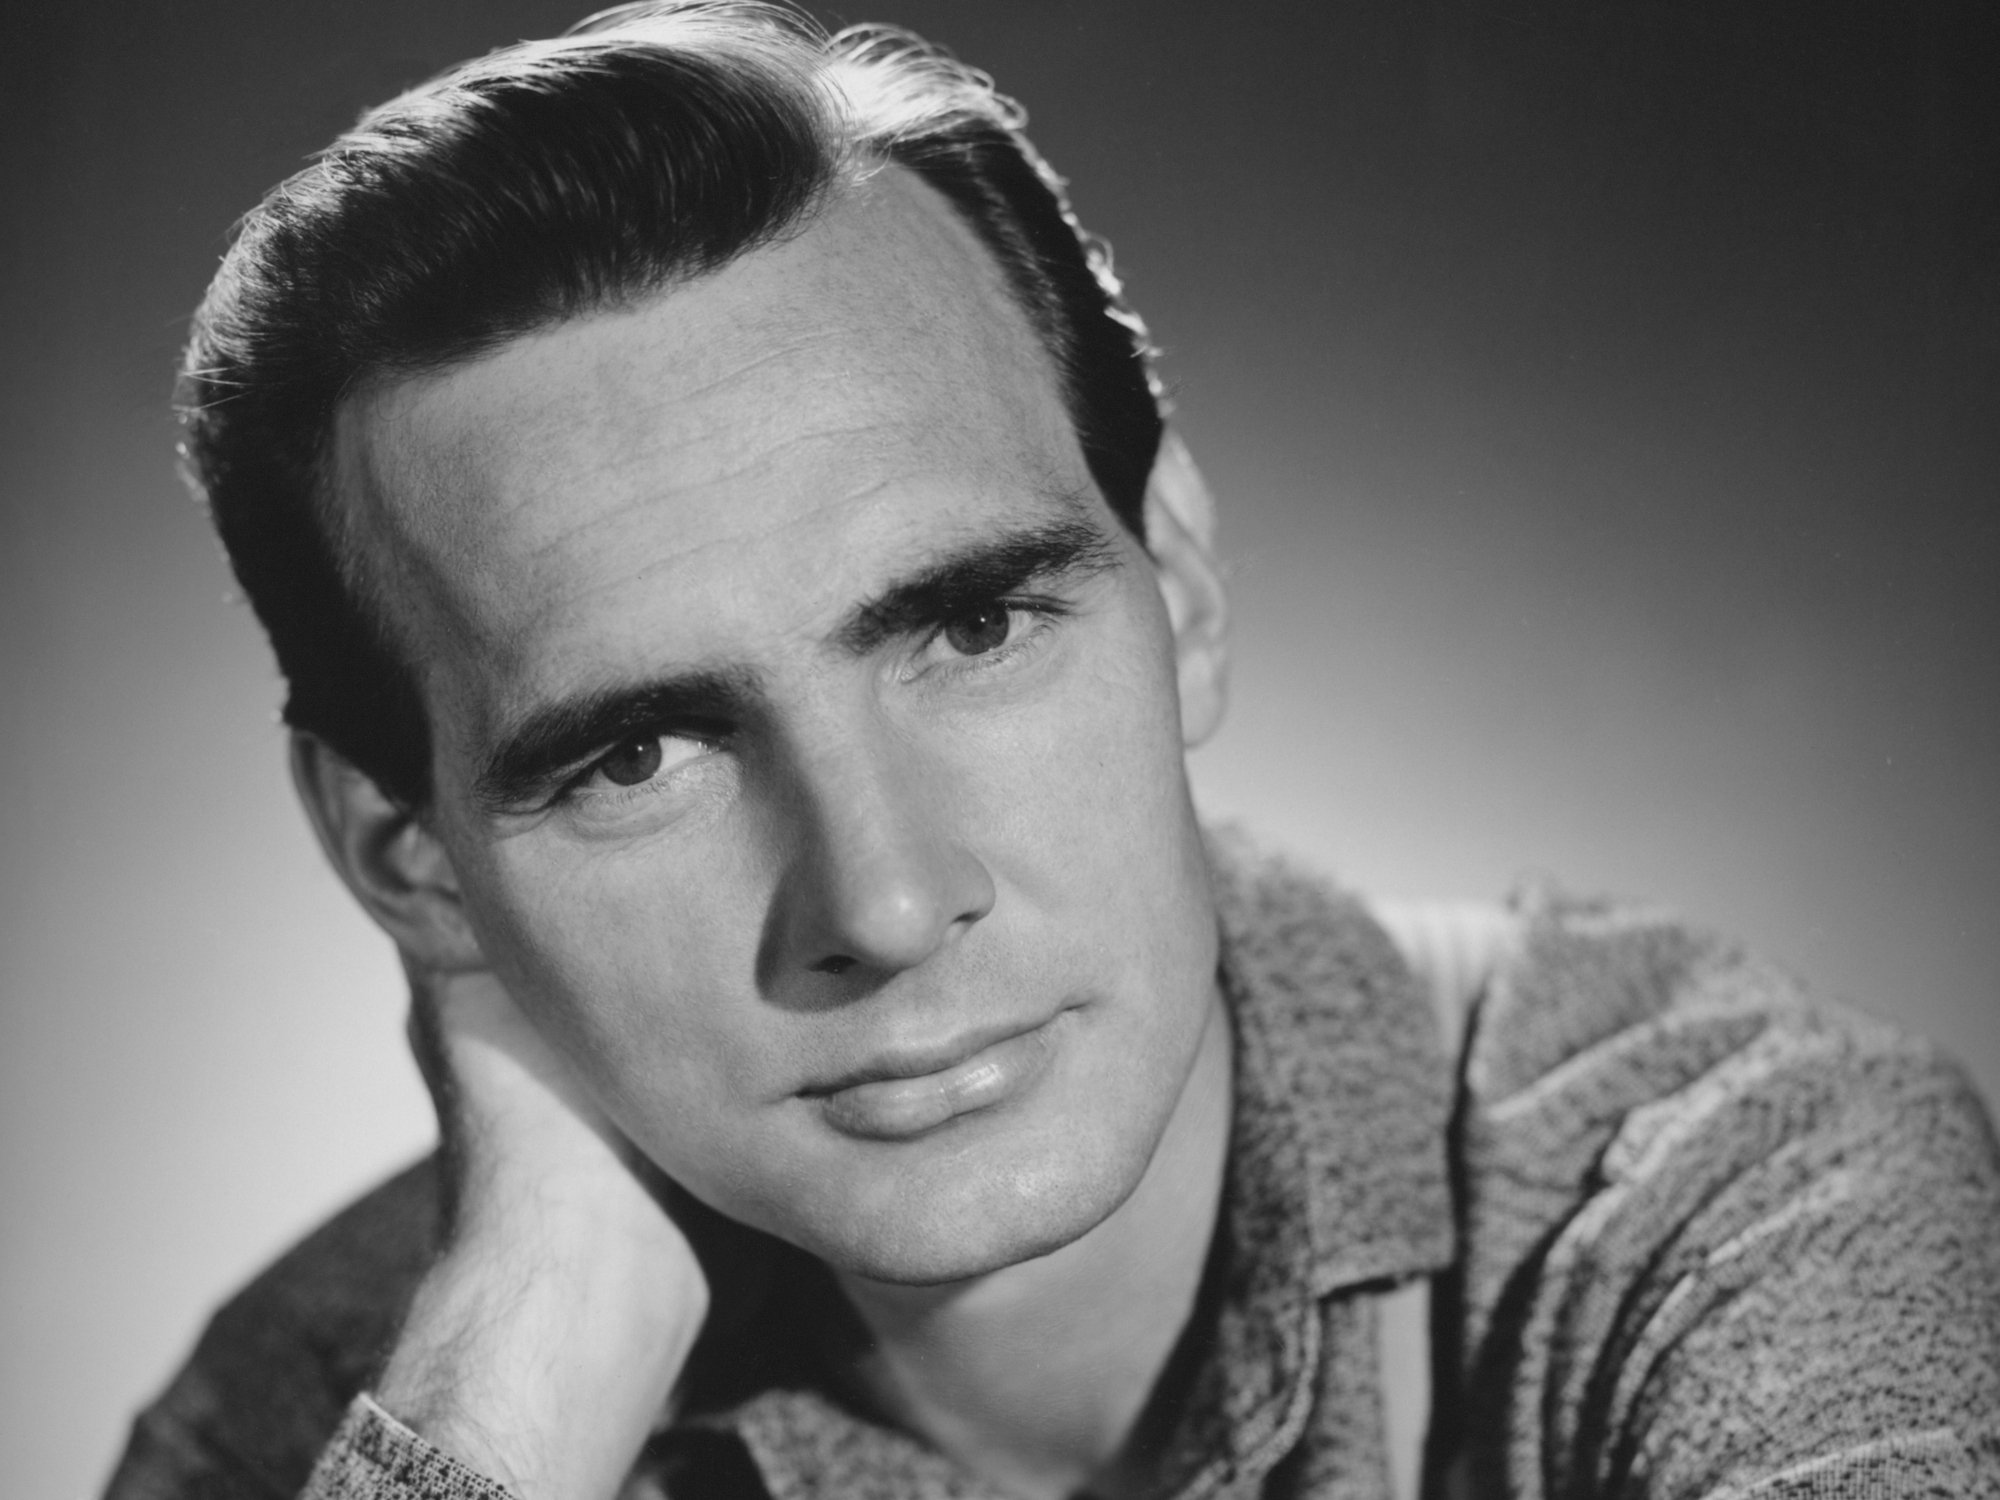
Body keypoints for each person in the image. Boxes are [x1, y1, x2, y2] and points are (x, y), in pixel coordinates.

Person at [105, 4, 2000, 1499]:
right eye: (637, 756)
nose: (889, 900)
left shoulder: (1726, 1197)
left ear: (1175, 590)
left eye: (973, 624)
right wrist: (519, 1361)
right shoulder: (342, 1406)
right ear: (407, 858)